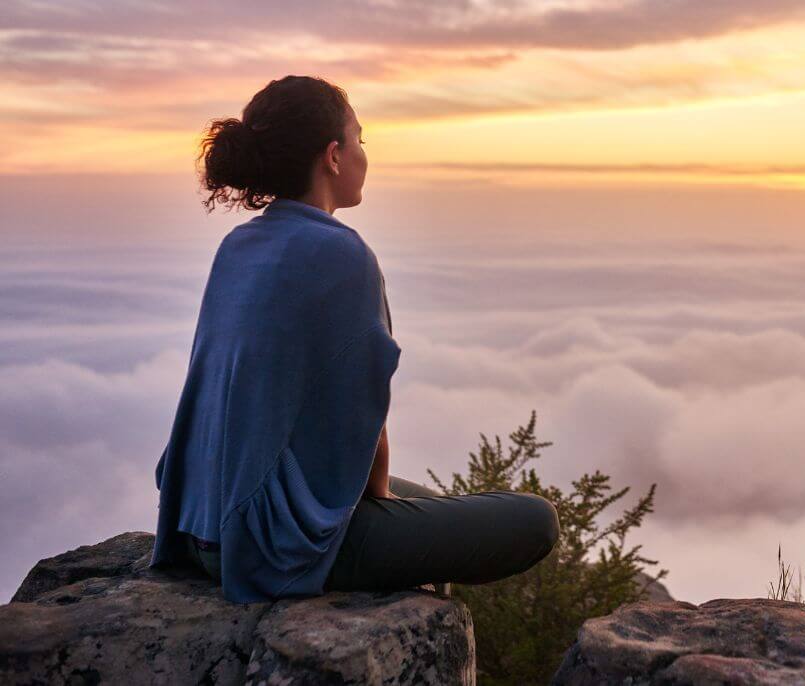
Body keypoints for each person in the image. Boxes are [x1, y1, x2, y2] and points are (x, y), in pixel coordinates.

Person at [149, 75, 560, 604]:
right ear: (334, 157)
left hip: (199, 523)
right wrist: (379, 506)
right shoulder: (342, 255)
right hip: (264, 544)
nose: (366, 153)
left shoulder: (240, 245)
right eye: (360, 139)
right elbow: (362, 421)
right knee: (533, 521)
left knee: (434, 502)